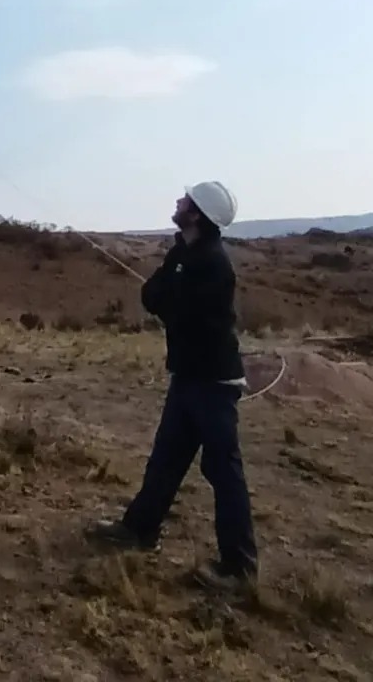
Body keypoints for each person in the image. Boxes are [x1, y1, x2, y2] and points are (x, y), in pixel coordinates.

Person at [88, 180, 259, 592]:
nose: (178, 201)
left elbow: (179, 312)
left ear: (197, 213)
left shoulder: (215, 264)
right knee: (165, 460)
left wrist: (167, 300)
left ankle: (239, 568)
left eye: (186, 200)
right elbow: (153, 296)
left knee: (223, 472)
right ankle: (140, 530)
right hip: (187, 377)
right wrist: (167, 299)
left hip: (213, 384)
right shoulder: (183, 251)